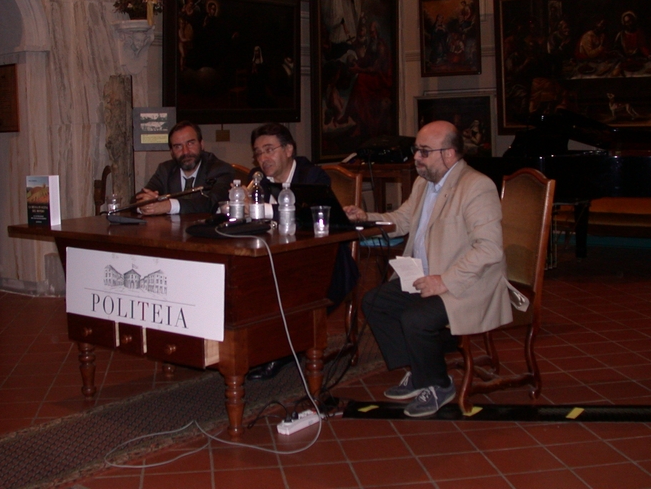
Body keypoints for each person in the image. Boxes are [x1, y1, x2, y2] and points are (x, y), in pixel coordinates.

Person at [343, 120, 512, 417]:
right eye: (416, 150)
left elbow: (490, 249)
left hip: (467, 284)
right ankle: (421, 372)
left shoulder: (476, 186)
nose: (416, 157)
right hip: (425, 277)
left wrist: (444, 280)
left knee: (415, 319)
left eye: (423, 151)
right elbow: (403, 220)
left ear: (449, 153)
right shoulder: (425, 183)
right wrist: (367, 216)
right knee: (375, 303)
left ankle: (438, 383)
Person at [245, 123, 359, 381]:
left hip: (325, 261)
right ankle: (263, 348)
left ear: (288, 150)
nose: (263, 158)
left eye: (269, 150)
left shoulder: (313, 176)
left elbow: (310, 219)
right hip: (276, 257)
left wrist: (262, 211)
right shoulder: (257, 180)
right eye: (258, 152)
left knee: (286, 288)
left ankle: (279, 353)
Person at [136, 121, 234, 216]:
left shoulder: (220, 169)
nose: (185, 152)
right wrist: (145, 203)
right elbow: (138, 198)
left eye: (190, 143)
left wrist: (169, 205)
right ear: (172, 152)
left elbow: (213, 204)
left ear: (202, 144)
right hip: (171, 231)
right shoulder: (165, 170)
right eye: (178, 147)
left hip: (205, 230)